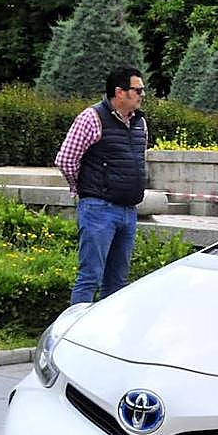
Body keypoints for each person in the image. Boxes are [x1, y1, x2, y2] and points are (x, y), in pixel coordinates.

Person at [55, 65, 148, 305]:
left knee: (118, 281)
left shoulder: (140, 123)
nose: (142, 94)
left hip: (129, 211)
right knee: (90, 277)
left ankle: (107, 336)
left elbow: (139, 160)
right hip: (99, 209)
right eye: (137, 90)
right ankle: (73, 334)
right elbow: (66, 159)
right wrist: (85, 190)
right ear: (119, 92)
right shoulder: (92, 117)